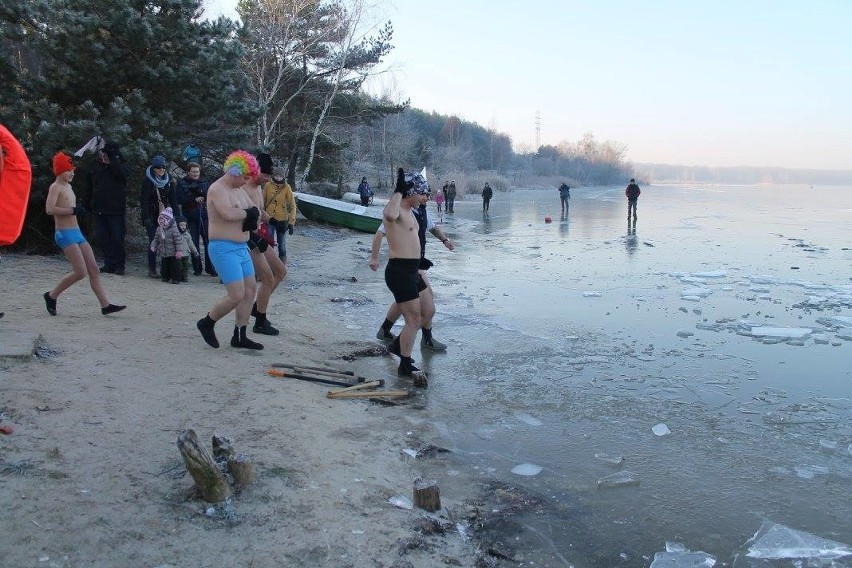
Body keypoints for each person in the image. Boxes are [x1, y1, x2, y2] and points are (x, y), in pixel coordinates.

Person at [370, 187, 454, 353]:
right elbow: (380, 233)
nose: (426, 198)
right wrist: (374, 258)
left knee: (409, 302)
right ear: (414, 195)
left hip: (417, 262)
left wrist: (445, 240)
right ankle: (423, 339)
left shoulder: (420, 212)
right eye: (423, 195)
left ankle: (386, 329)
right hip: (406, 265)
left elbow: (432, 228)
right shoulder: (401, 212)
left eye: (428, 195)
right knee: (423, 304)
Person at [43, 152, 126, 317]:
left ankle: (105, 305)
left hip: (76, 232)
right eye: (68, 170)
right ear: (59, 171)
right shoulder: (56, 187)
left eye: (73, 170)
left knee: (94, 269)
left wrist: (81, 210)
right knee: (80, 271)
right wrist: (72, 210)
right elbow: (49, 209)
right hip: (64, 233)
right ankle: (51, 295)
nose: (72, 173)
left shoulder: (69, 186)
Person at [196, 150, 263, 350]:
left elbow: (256, 210)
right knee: (236, 294)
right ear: (234, 171)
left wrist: (252, 215)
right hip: (223, 248)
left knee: (250, 290)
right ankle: (207, 322)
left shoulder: (239, 189)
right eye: (244, 177)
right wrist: (248, 214)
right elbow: (227, 214)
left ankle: (240, 335)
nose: (245, 182)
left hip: (241, 247)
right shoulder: (217, 189)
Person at [376, 168, 438, 377]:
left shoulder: (413, 211)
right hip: (399, 271)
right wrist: (398, 191)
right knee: (413, 319)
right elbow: (388, 215)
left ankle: (397, 346)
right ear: (411, 193)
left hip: (413, 270)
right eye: (422, 193)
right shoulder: (397, 210)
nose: (425, 198)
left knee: (428, 311)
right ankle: (404, 364)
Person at [246, 153, 287, 336]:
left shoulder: (258, 188)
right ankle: (260, 322)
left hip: (260, 235)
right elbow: (242, 216)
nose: (267, 179)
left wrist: (273, 221)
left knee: (280, 271)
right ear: (256, 171)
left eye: (269, 177)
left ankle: (258, 308)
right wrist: (254, 237)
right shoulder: (245, 187)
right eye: (265, 176)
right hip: (249, 239)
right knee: (267, 278)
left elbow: (260, 210)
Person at [80, 140, 129, 275]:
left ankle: (119, 265)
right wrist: (87, 203)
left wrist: (112, 160)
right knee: (103, 237)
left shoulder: (120, 165)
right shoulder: (95, 166)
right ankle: (109, 263)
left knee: (117, 238)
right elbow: (89, 186)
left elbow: (122, 174)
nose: (103, 156)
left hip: (115, 209)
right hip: (99, 208)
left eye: (105, 154)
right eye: (101, 154)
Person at [141, 155, 177, 279]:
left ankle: (165, 270)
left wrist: (178, 216)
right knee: (153, 241)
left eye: (163, 167)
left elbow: (173, 199)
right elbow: (144, 201)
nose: (161, 170)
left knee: (167, 241)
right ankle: (152, 269)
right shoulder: (148, 181)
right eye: (158, 167)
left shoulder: (169, 180)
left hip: (165, 215)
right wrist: (146, 218)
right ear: (153, 168)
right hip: (152, 215)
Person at [175, 161, 212, 276]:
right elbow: (180, 199)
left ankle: (211, 268)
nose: (195, 174)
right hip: (190, 216)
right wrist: (193, 198)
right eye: (193, 172)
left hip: (204, 215)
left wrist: (202, 196)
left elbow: (209, 195)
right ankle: (197, 268)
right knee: (194, 243)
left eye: (197, 171)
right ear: (188, 172)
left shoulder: (204, 183)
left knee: (208, 242)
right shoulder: (182, 183)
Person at [263, 166, 296, 263]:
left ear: (283, 177)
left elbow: (293, 205)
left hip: (282, 221)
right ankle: (270, 265)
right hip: (269, 219)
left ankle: (282, 266)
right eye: (276, 176)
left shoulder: (287, 187)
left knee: (281, 245)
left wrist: (291, 223)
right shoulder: (268, 185)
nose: (278, 178)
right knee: (269, 244)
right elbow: (262, 202)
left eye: (280, 176)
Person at [149, 207, 186, 284]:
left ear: (168, 220)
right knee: (164, 266)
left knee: (175, 267)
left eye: (163, 219)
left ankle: (176, 279)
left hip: (173, 252)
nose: (161, 220)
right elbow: (156, 239)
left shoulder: (174, 229)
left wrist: (179, 251)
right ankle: (165, 277)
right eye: (160, 219)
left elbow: (178, 241)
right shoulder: (159, 229)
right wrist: (153, 245)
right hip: (164, 252)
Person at [176, 215, 199, 282]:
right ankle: (179, 277)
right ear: (177, 225)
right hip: (178, 254)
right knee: (179, 266)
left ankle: (185, 277)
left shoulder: (187, 235)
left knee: (186, 267)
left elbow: (191, 244)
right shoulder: (175, 234)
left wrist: (195, 252)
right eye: (181, 225)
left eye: (184, 225)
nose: (183, 227)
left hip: (186, 253)